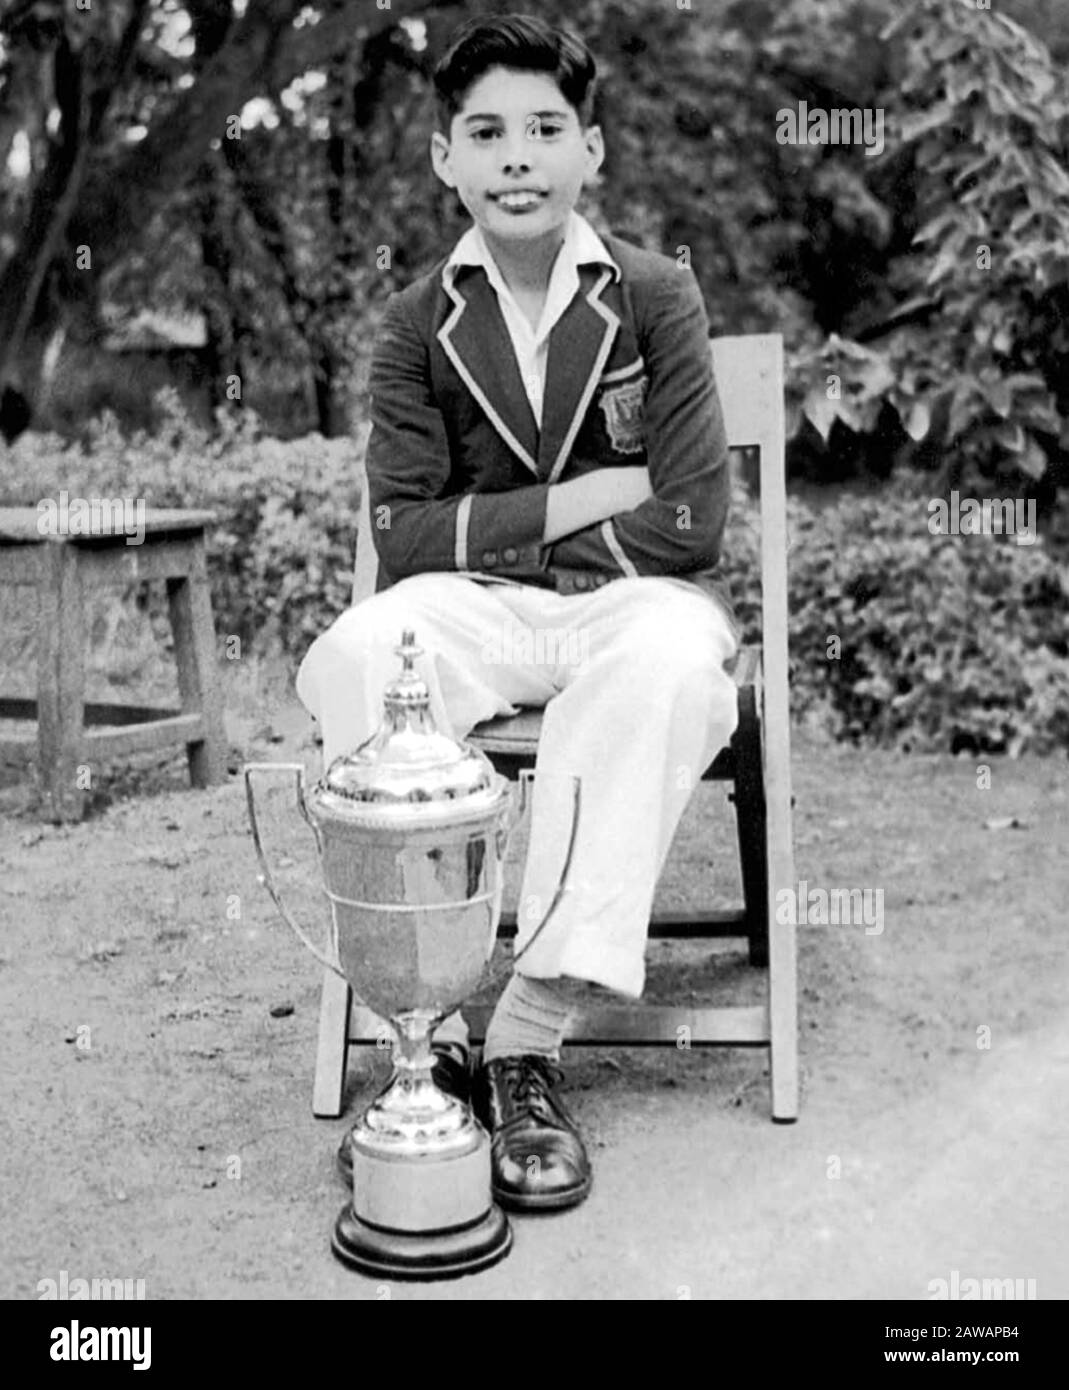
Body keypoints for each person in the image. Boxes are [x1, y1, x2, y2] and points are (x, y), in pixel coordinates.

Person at [296, 13, 739, 1214]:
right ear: (444, 158)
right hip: (475, 610)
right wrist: (590, 494)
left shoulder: (656, 297)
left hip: (629, 607)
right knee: (355, 653)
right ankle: (420, 1035)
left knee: (672, 664)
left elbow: (696, 522)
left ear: (590, 149)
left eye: (545, 129)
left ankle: (528, 1039)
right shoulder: (413, 320)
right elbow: (404, 537)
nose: (517, 157)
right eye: (485, 132)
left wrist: (501, 518)